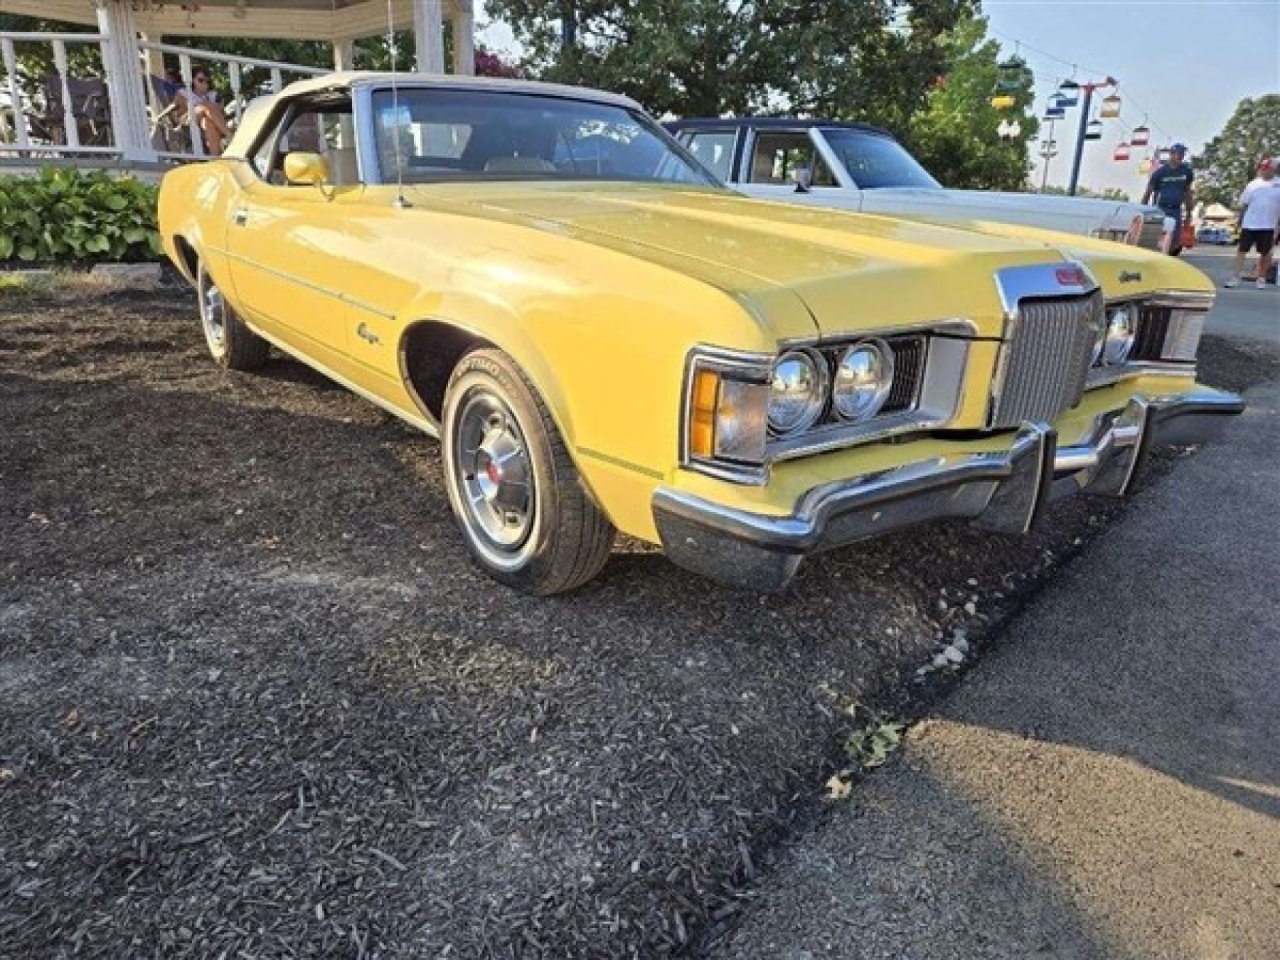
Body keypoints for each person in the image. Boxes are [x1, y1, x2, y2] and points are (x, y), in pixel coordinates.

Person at [1224, 157, 1280, 289]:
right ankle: (1235, 277)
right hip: (1250, 223)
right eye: (1262, 169)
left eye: (1267, 169)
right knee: (1242, 250)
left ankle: (1261, 278)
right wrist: (1239, 220)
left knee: (1265, 253)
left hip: (1268, 224)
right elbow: (1244, 204)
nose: (1264, 171)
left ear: (1274, 169)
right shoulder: (1252, 185)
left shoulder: (1278, 184)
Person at [1142, 143, 1195, 255]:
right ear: (1171, 154)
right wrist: (1143, 210)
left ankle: (1168, 257)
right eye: (1178, 154)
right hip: (1161, 209)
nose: (1181, 156)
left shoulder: (1186, 172)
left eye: (1183, 154)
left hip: (1176, 210)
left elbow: (1188, 193)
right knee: (1160, 238)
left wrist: (1190, 212)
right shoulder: (1159, 173)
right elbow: (1148, 192)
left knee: (1175, 241)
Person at [174, 67, 233, 156]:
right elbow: (179, 114)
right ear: (192, 80)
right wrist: (203, 107)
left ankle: (215, 157)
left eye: (207, 81)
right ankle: (230, 136)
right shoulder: (183, 93)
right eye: (201, 80)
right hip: (188, 122)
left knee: (208, 122)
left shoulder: (212, 95)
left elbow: (221, 113)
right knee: (206, 105)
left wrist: (215, 108)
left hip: (207, 124)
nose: (205, 83)